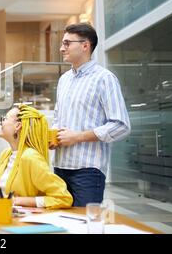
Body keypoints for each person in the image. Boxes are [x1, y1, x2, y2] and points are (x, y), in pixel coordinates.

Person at [51, 23, 131, 206]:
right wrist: (52, 136)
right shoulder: (64, 80)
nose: (61, 48)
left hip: (88, 171)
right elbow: (57, 118)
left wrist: (78, 137)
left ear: (85, 45)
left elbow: (121, 126)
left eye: (67, 43)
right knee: (61, 224)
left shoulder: (105, 79)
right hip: (60, 167)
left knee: (85, 227)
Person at [0, 105, 73, 209]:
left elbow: (63, 198)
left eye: (5, 119)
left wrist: (18, 201)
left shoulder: (30, 157)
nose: (1, 122)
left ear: (18, 126)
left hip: (21, 222)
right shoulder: (6, 154)